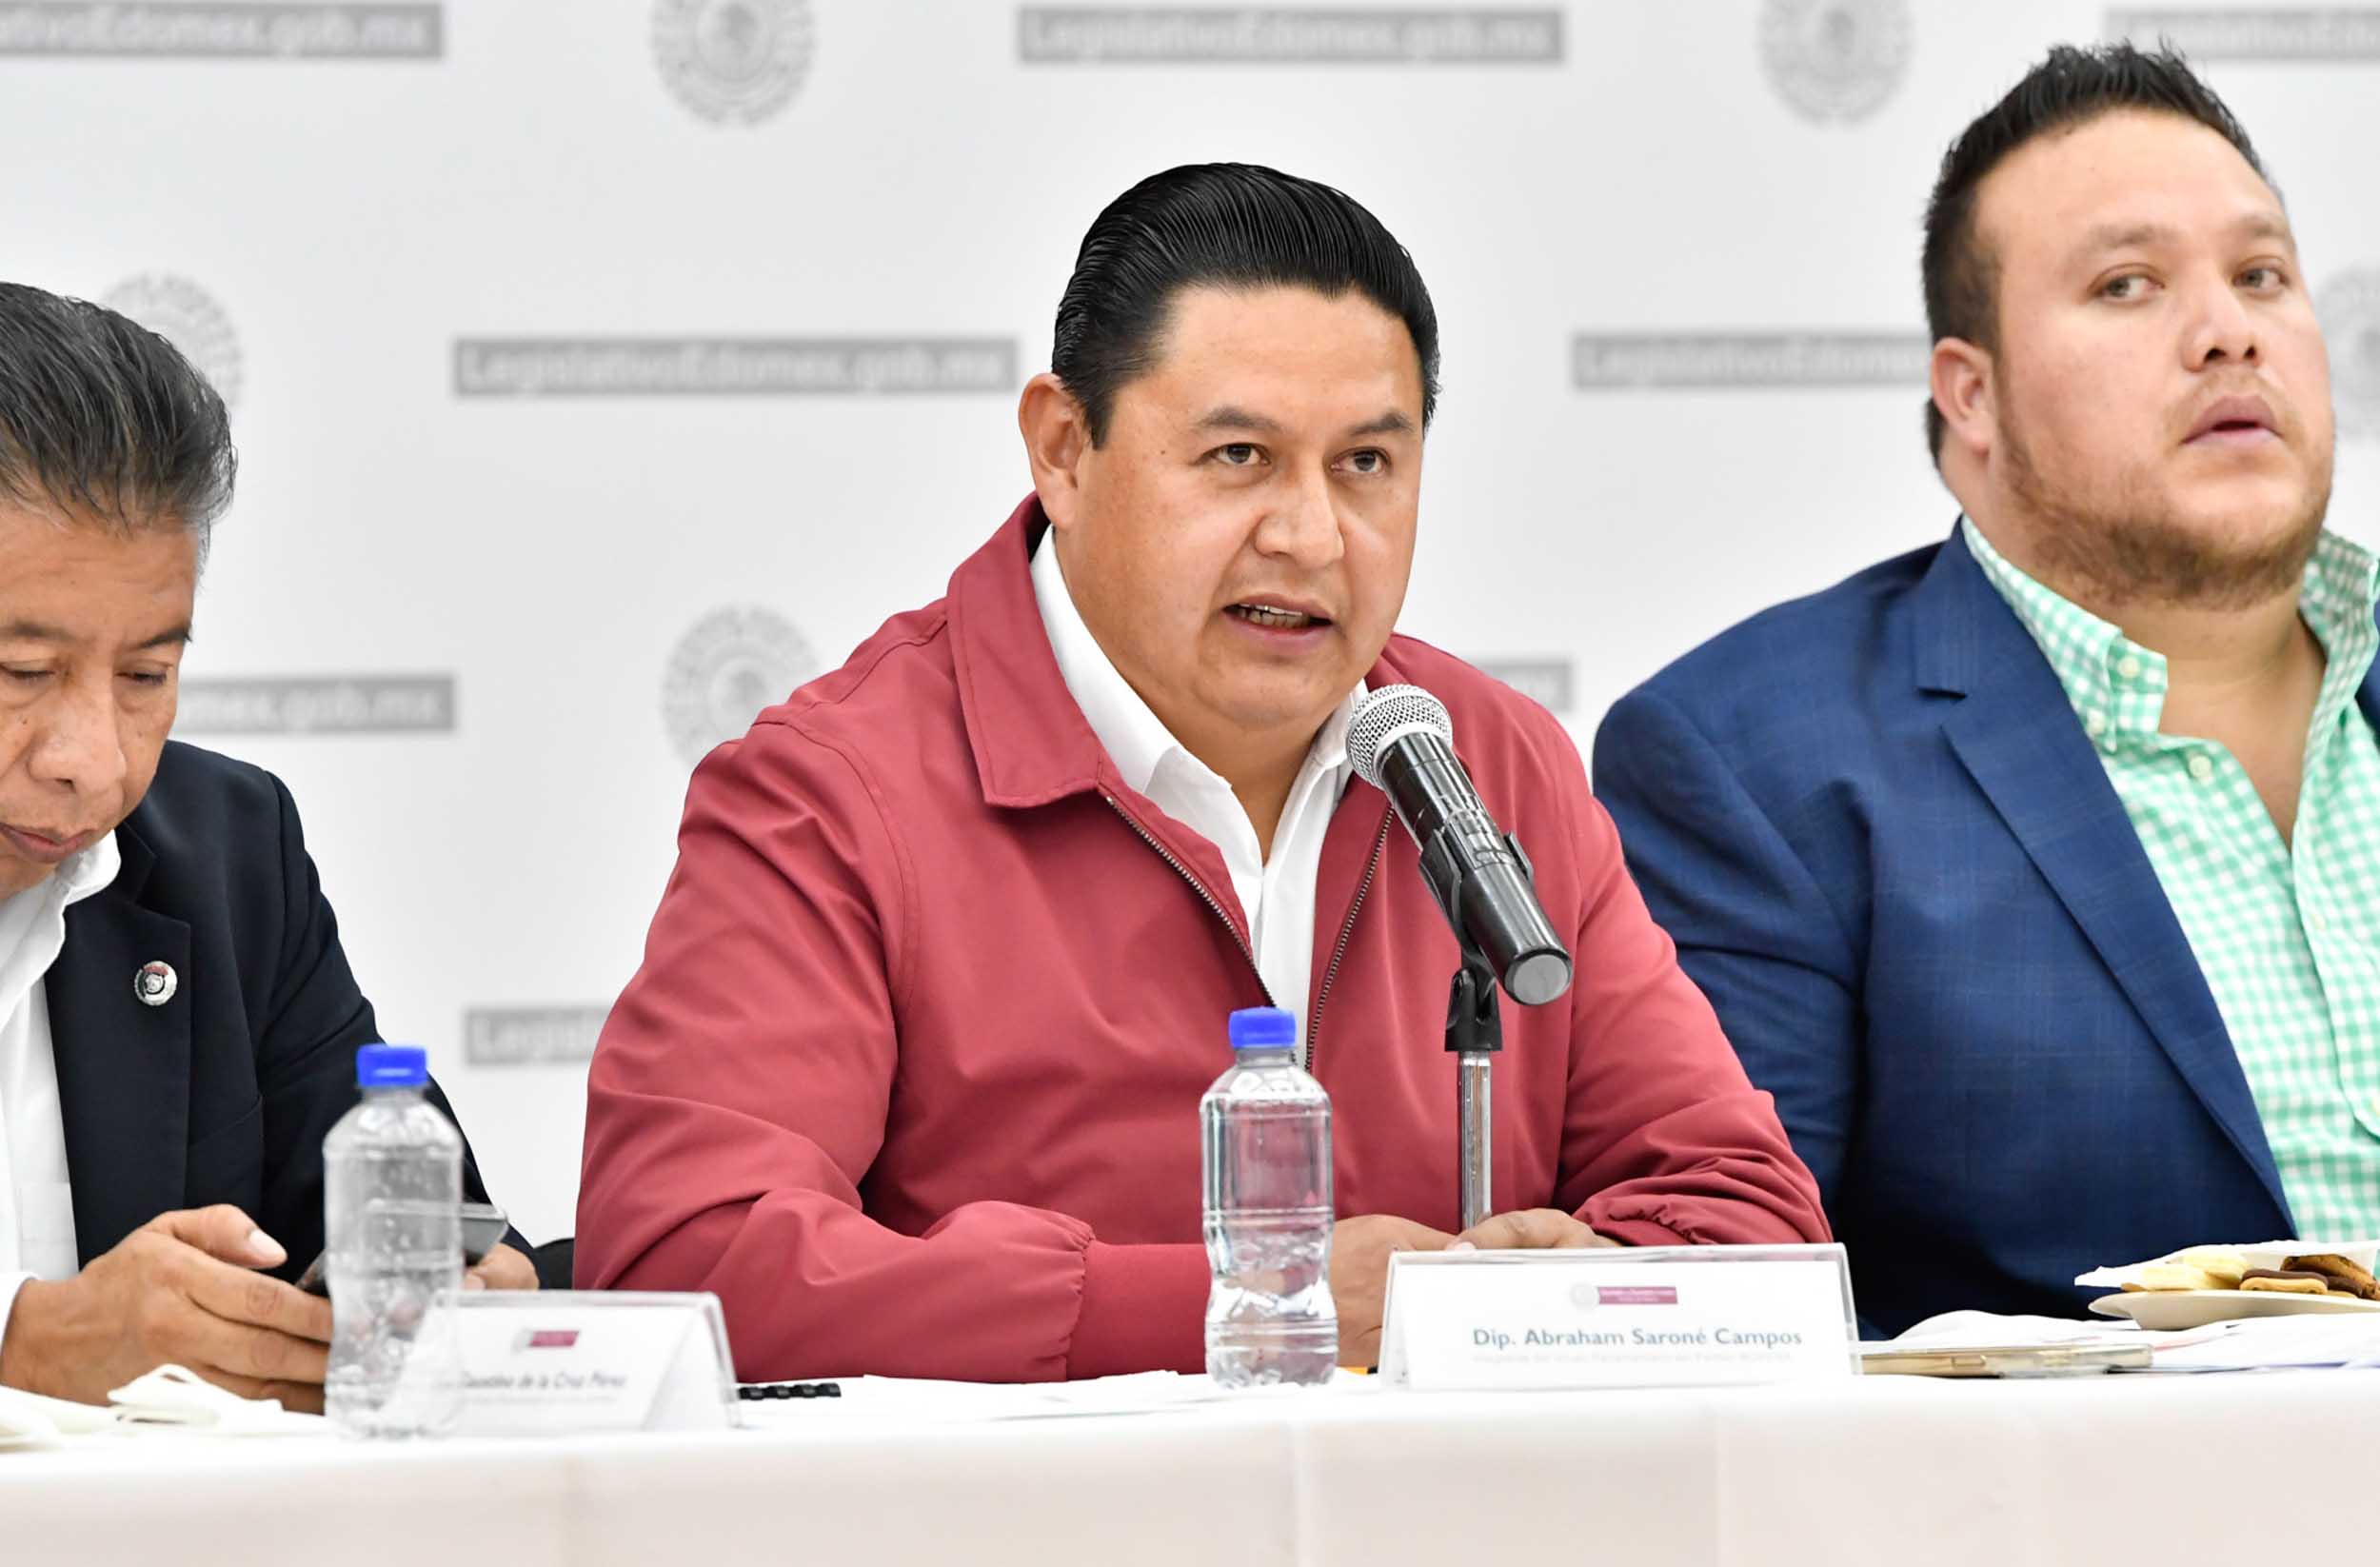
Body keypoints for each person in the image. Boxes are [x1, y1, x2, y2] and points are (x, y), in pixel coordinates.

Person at [578, 163, 1827, 1382]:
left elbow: (1751, 1217)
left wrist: (1576, 1293)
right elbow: (689, 1259)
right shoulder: (837, 793)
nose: (1311, 535)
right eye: (1239, 456)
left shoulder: (1489, 762)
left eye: (1366, 465)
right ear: (1064, 449)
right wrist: (1247, 1304)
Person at [1595, 45, 2359, 1336]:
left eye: (2261, 275)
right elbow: (1728, 1316)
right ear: (1974, 395)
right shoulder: (1753, 761)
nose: (2229, 330)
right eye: (2126, 285)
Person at [0, 284, 533, 1411]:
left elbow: (411, 1217)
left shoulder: (229, 856)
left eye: (147, 674)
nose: (94, 761)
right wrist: (20, 1343)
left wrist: (461, 1286)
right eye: (22, 672)